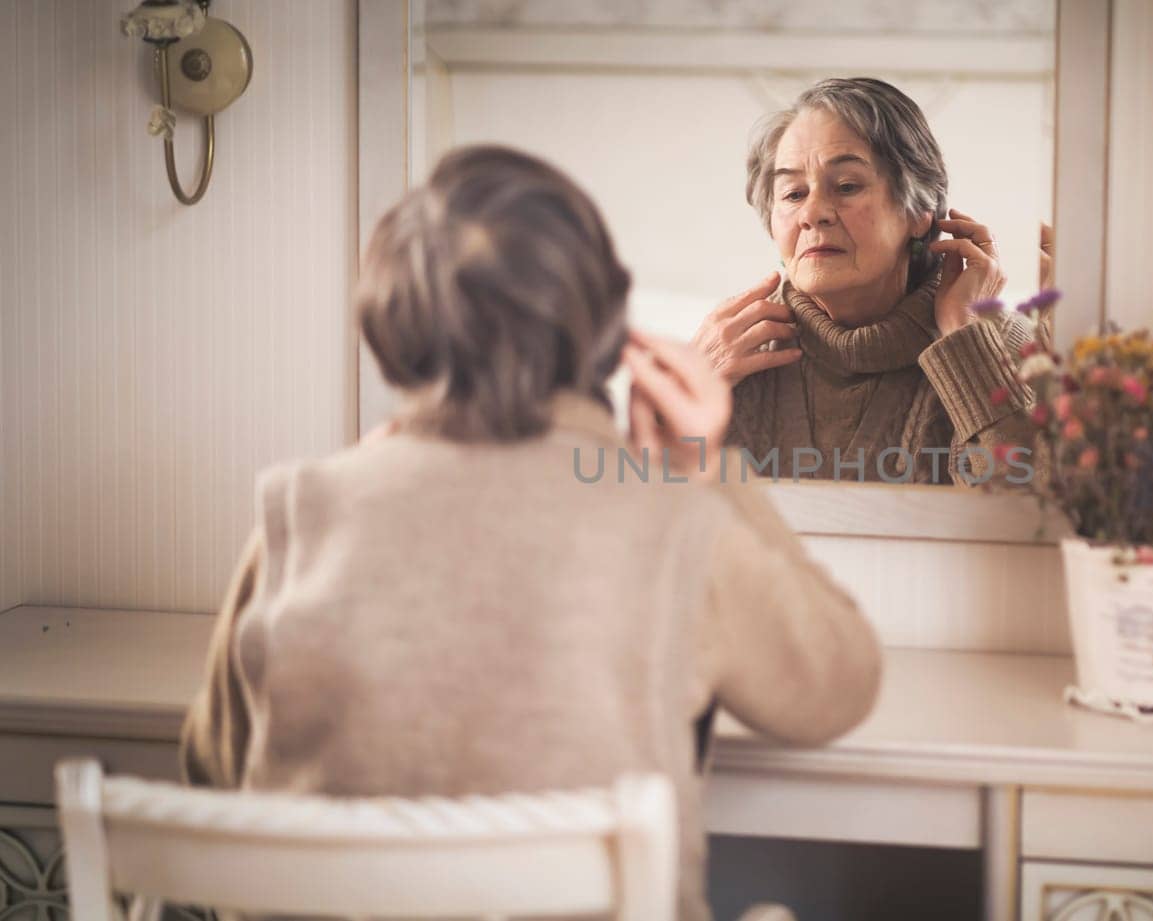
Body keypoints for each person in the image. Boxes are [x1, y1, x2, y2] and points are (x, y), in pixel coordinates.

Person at [179, 145, 881, 921]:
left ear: (388, 326)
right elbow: (837, 690)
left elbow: (216, 777)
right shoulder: (674, 524)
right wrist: (710, 467)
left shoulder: (299, 517)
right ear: (607, 323)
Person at [691, 77, 1039, 486]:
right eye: (793, 194)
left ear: (918, 211)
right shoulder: (730, 353)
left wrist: (965, 342)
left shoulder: (1006, 346)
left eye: (847, 186)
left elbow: (1035, 525)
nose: (813, 213)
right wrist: (685, 396)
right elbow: (645, 526)